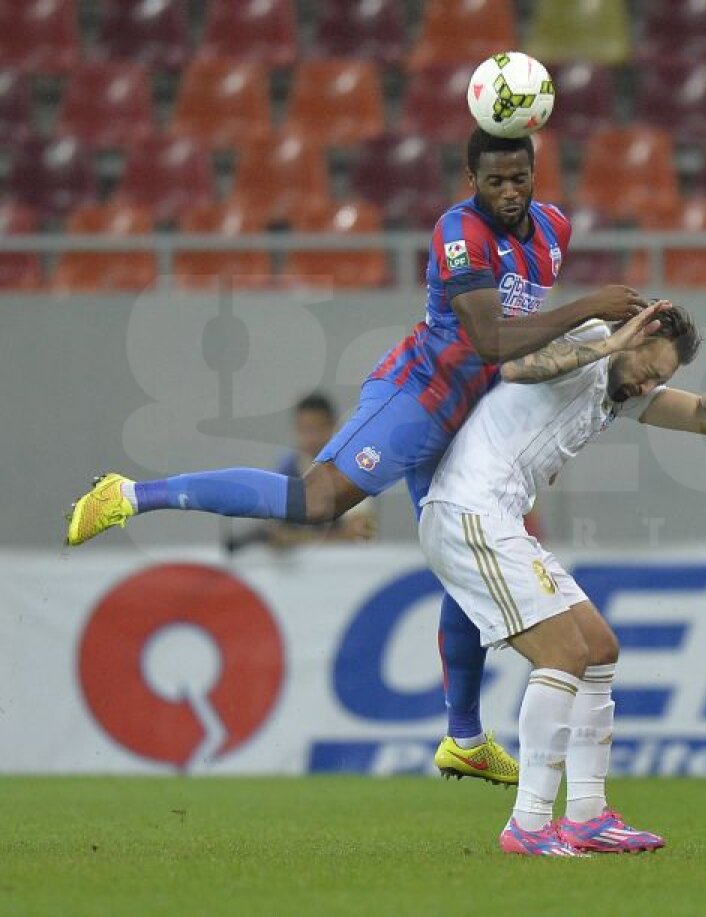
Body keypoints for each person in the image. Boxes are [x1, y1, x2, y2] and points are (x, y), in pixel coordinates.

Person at [65, 128, 648, 786]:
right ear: (470, 179)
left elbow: (519, 344)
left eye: (519, 178)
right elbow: (488, 338)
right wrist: (587, 310)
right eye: (494, 181)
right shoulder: (458, 232)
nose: (508, 192)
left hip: (470, 419)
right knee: (317, 500)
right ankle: (132, 494)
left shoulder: (554, 229)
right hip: (418, 396)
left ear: (535, 172)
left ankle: (464, 736)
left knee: (470, 544)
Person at [420, 304, 706, 855]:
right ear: (634, 337)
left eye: (663, 379)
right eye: (651, 367)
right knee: (562, 654)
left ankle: (587, 817)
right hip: (469, 512)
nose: (651, 382)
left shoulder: (619, 389)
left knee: (598, 649)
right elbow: (514, 369)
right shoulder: (593, 344)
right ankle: (527, 825)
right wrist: (609, 342)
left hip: (500, 519)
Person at [225, 392, 378, 553]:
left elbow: (359, 535)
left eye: (319, 428)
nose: (312, 438)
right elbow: (276, 532)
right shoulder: (287, 469)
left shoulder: (352, 470)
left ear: (334, 427)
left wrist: (297, 539)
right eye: (305, 430)